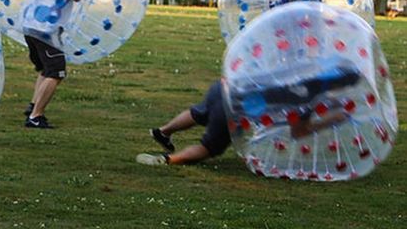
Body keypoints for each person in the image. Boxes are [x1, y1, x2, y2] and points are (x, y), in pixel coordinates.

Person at [137, 74, 354, 166]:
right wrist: (332, 120)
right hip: (234, 109)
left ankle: (163, 131)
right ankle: (168, 160)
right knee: (210, 147)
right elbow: (299, 131)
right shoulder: (308, 99)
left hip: (224, 87)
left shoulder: (300, 69)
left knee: (200, 113)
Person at [22, 0, 93, 128]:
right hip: (46, 29)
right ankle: (35, 116)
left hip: (31, 24)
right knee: (56, 72)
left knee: (45, 69)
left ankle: (33, 105)